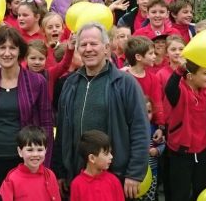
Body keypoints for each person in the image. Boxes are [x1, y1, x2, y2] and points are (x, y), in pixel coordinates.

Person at [56, 23, 150, 199]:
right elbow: (62, 131)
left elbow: (140, 130)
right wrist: (60, 171)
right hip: (77, 176)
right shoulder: (70, 83)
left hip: (115, 176)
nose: (88, 49)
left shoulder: (125, 83)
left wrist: (135, 173)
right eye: (83, 45)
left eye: (94, 44)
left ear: (106, 48)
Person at [0, 27, 55, 201]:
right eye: (2, 47)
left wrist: (44, 166)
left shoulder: (37, 82)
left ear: (20, 51)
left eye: (12, 48)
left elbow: (47, 124)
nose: (7, 53)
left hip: (25, 163)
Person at [161, 59, 206, 200]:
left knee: (201, 188)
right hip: (182, 152)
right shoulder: (179, 92)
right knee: (180, 192)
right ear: (190, 76)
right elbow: (170, 88)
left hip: (202, 150)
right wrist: (180, 70)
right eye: (204, 73)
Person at [0, 126, 63, 200]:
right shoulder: (11, 179)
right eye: (30, 150)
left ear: (46, 151)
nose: (35, 154)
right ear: (20, 151)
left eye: (40, 150)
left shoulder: (50, 175)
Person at [69, 130, 126, 201]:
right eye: (106, 153)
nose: (111, 156)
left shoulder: (114, 181)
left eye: (110, 153)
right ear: (92, 158)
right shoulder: (76, 184)